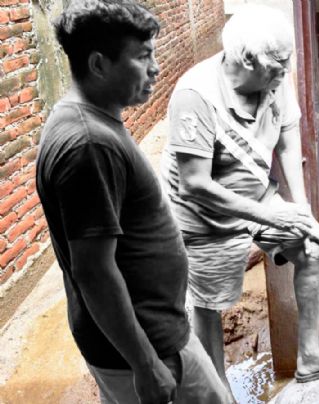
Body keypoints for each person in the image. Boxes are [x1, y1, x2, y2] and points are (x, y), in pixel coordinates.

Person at [161, 4, 319, 386]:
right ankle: (217, 391)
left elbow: (290, 142)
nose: (285, 71)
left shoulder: (275, 79)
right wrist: (275, 217)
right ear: (247, 59)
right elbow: (194, 184)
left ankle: (310, 356)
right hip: (205, 217)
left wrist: (302, 212)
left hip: (258, 196)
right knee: (210, 306)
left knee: (310, 246)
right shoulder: (195, 97)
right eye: (278, 64)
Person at [36, 0, 234, 402]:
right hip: (152, 347)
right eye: (143, 57)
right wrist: (145, 364)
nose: (156, 68)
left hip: (153, 336)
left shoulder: (86, 122)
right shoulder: (89, 145)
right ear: (98, 65)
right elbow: (93, 271)